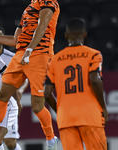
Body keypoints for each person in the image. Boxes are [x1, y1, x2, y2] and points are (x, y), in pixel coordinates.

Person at [0, 0, 60, 150]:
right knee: (2, 96)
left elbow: (42, 25)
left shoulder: (49, 1)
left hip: (40, 55)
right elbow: (16, 40)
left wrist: (30, 50)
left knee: (37, 106)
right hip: (20, 55)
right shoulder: (28, 8)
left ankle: (51, 139)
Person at [44, 18, 108, 150]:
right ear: (84, 34)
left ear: (66, 35)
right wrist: (103, 107)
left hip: (66, 118)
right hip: (90, 115)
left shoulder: (54, 60)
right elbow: (95, 80)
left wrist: (59, 110)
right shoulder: (94, 55)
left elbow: (46, 93)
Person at [0, 24, 28, 150]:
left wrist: (20, 90)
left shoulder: (13, 58)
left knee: (10, 142)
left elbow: (25, 77)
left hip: (8, 103)